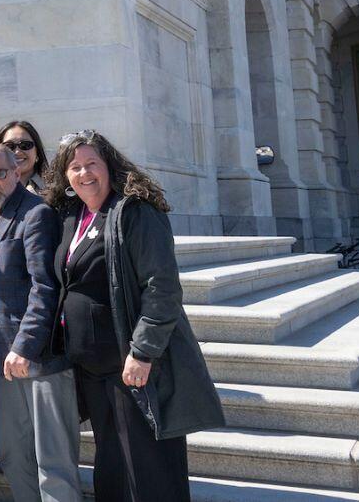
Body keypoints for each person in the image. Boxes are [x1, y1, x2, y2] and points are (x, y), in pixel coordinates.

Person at [48, 131, 223, 502]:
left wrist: (143, 352)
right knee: (112, 465)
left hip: (130, 364)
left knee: (148, 469)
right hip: (92, 368)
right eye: (74, 167)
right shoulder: (72, 216)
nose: (83, 173)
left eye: (91, 163)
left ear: (109, 165)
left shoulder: (135, 211)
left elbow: (162, 288)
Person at [0, 143, 79, 501]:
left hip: (38, 356)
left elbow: (45, 287)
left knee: (53, 463)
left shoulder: (36, 214)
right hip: (2, 359)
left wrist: (24, 346)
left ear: (16, 171)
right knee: (14, 456)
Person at [0, 121, 49, 194]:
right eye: (9, 146)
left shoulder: (54, 189)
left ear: (37, 151)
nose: (17, 152)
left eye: (25, 145)